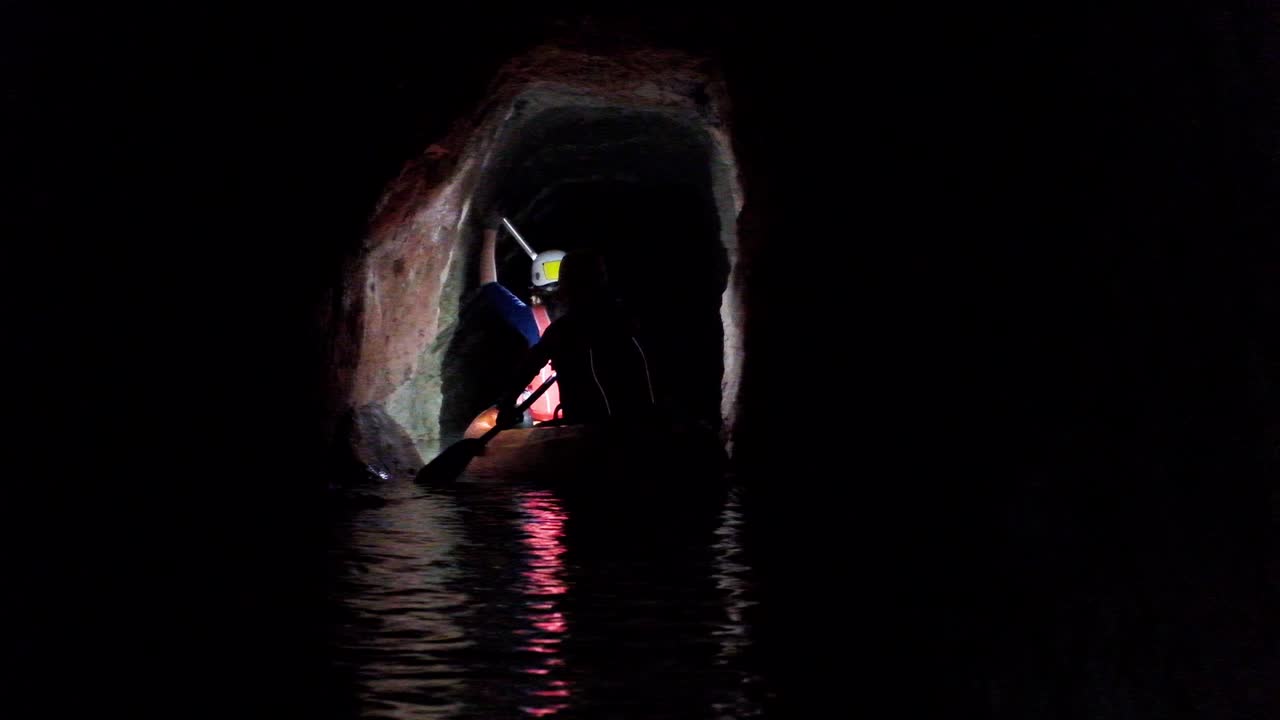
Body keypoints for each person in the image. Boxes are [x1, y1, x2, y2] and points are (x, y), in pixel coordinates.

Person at [496, 248, 658, 426]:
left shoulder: (563, 330)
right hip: (641, 422)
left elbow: (530, 366)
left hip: (588, 428)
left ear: (568, 289)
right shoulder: (629, 320)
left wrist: (507, 404)